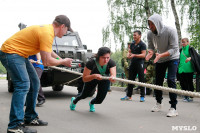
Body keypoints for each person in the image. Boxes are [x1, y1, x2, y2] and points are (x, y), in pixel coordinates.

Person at [0, 15, 73, 133]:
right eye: (67, 30)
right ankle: (15, 126)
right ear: (63, 26)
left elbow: (49, 51)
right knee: (23, 84)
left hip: (19, 55)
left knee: (34, 83)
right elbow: (46, 61)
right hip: (11, 53)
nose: (66, 32)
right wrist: (63, 61)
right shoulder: (47, 32)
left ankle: (30, 117)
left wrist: (61, 59)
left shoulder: (47, 30)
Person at [146, 13, 180, 117]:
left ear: (158, 23)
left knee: (170, 79)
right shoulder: (150, 34)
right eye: (149, 25)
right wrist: (150, 52)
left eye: (152, 24)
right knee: (158, 81)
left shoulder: (171, 31)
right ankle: (158, 103)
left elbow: (174, 49)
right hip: (160, 58)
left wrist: (161, 55)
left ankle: (173, 107)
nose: (150, 27)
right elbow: (151, 46)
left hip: (172, 57)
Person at [70, 47, 116, 112]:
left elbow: (113, 78)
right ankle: (74, 101)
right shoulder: (91, 63)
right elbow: (84, 79)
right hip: (91, 78)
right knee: (84, 95)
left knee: (100, 100)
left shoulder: (111, 63)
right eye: (103, 58)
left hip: (104, 79)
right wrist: (94, 76)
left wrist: (113, 78)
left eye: (108, 58)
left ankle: (92, 103)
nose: (106, 60)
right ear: (98, 56)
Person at [120, 30, 146, 102]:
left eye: (135, 35)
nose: (134, 36)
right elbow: (129, 52)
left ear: (139, 36)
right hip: (133, 63)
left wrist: (135, 55)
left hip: (140, 63)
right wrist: (128, 55)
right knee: (130, 79)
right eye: (133, 35)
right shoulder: (132, 44)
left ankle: (142, 96)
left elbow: (143, 55)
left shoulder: (142, 44)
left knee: (141, 80)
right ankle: (129, 96)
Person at [178, 38, 197, 102]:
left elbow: (196, 56)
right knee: (182, 83)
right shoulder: (180, 50)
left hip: (189, 69)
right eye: (182, 42)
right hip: (181, 69)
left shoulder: (190, 49)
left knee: (189, 83)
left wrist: (190, 58)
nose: (182, 43)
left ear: (188, 42)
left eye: (184, 42)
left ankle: (190, 96)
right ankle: (185, 96)